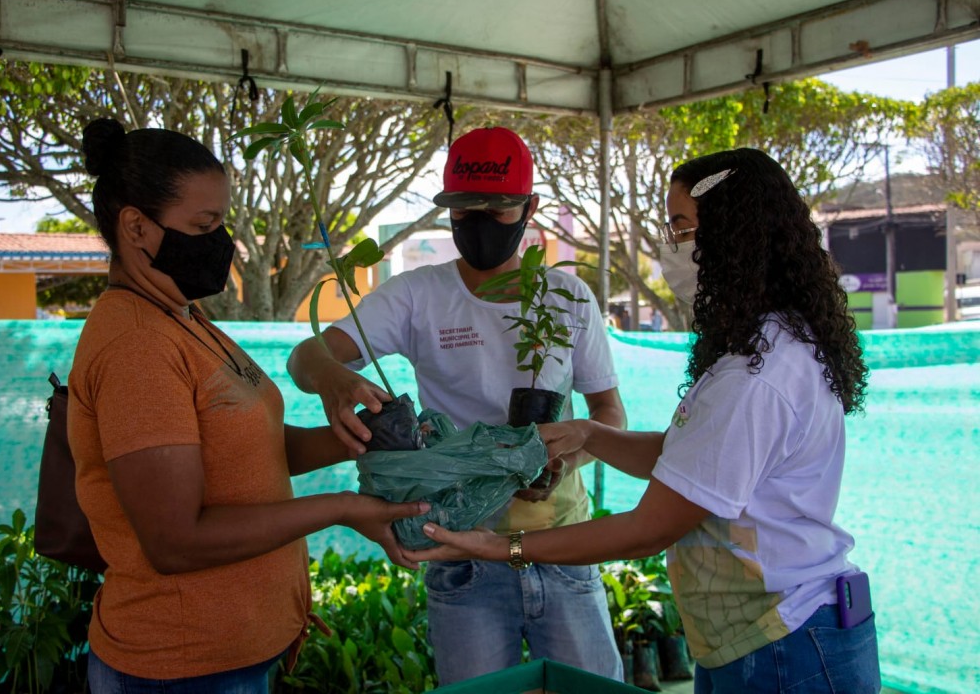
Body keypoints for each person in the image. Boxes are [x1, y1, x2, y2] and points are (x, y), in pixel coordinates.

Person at [408, 148, 881, 694]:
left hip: (785, 648)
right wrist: (589, 433)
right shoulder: (767, 346)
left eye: (680, 228)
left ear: (733, 232)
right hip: (765, 634)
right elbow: (696, 466)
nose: (670, 247)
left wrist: (501, 547)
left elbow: (649, 528)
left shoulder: (757, 377)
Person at [69, 118, 427, 693]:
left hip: (234, 656)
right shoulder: (137, 345)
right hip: (180, 667)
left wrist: (355, 435)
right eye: (203, 225)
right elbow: (176, 540)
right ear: (135, 226)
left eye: (222, 223)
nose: (221, 242)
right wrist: (340, 507)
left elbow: (252, 447)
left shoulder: (185, 318)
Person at [287, 126, 628, 685]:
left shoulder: (565, 298)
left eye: (498, 207)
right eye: (464, 206)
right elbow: (305, 357)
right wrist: (334, 379)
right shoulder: (417, 295)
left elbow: (610, 417)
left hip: (559, 543)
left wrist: (568, 458)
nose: (479, 220)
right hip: (458, 550)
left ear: (530, 207)